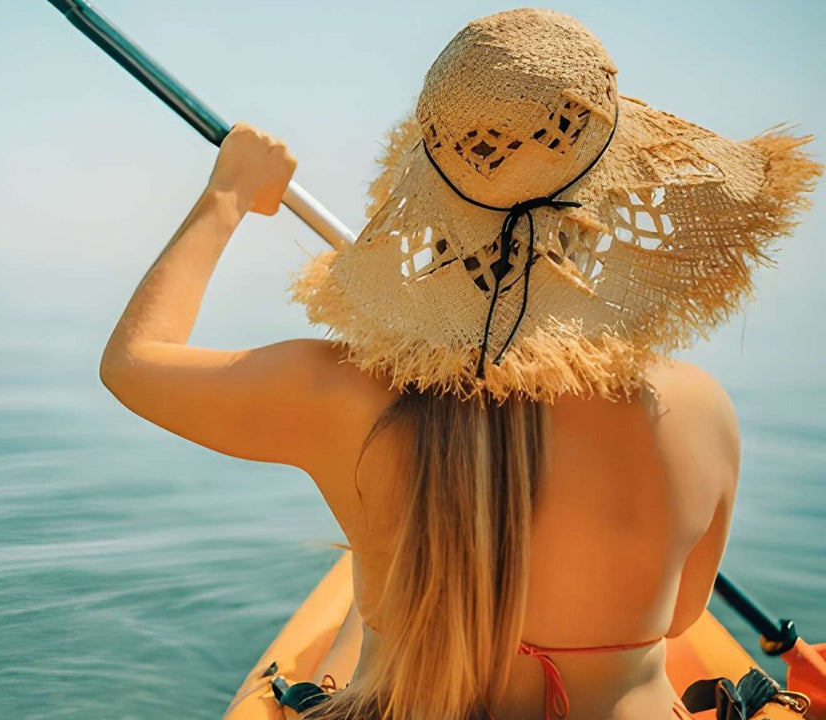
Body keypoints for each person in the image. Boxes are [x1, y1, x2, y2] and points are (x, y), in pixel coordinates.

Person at [98, 8, 820, 720]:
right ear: (612, 201)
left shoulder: (342, 395)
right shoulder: (697, 411)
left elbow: (132, 365)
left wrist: (227, 194)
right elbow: (681, 614)